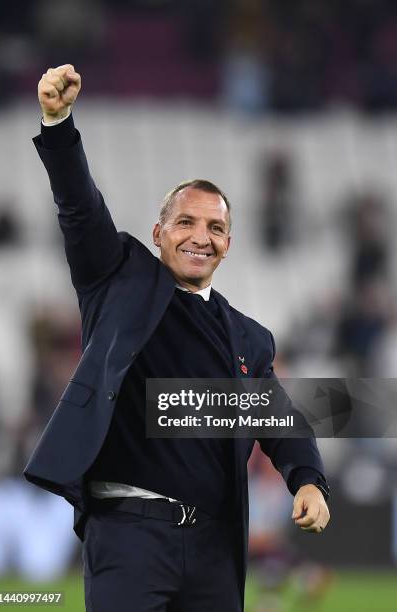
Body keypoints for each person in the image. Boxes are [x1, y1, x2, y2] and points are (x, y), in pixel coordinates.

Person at [24, 64, 330, 612]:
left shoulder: (249, 339)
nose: (200, 237)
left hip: (215, 545)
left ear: (228, 244)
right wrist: (59, 123)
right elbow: (79, 207)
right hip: (128, 534)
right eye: (186, 222)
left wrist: (308, 481)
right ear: (159, 232)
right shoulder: (117, 278)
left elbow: (281, 423)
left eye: (215, 228)